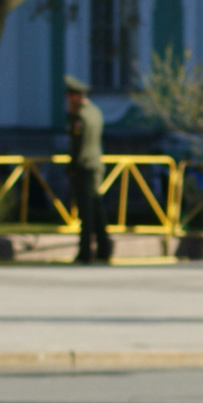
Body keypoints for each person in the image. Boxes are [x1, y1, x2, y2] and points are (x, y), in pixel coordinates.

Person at [63, 75, 111, 264]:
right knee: (97, 208)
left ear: (74, 96)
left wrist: (72, 166)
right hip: (96, 164)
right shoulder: (95, 111)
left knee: (86, 212)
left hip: (84, 166)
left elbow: (78, 144)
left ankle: (85, 252)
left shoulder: (79, 116)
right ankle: (104, 249)